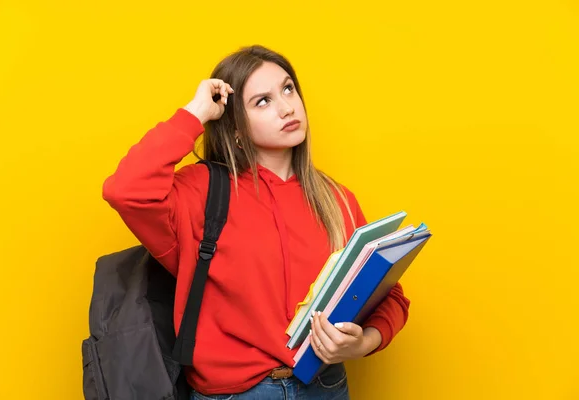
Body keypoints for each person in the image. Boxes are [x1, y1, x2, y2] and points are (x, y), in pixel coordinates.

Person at [102, 44, 410, 400]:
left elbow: (389, 294)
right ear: (235, 129)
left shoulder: (335, 198)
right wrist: (196, 114)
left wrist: (362, 343)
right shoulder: (200, 191)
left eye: (288, 88)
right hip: (234, 394)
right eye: (262, 101)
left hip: (324, 387)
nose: (286, 107)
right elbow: (125, 190)